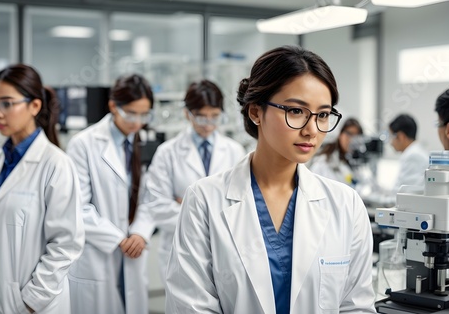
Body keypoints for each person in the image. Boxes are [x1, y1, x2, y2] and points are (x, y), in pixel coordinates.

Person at [165, 46, 376, 313]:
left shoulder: (346, 204)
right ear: (255, 111)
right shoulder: (204, 200)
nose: (312, 130)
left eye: (323, 115)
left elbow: (356, 306)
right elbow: (190, 305)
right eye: (296, 111)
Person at [0, 64, 85, 313]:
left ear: (34, 106)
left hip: (31, 304)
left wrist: (30, 302)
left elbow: (66, 244)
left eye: (7, 103)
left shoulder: (56, 164)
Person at [67, 74, 155, 314]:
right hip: (97, 252)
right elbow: (78, 206)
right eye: (131, 113)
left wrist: (140, 232)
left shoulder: (142, 140)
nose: (137, 122)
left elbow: (149, 196)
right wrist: (118, 239)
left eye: (144, 114)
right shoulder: (83, 144)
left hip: (133, 248)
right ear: (113, 106)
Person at [143, 79, 245, 282]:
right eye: (201, 117)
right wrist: (213, 212)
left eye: (215, 117)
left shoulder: (235, 151)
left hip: (225, 249)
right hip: (182, 249)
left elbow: (242, 204)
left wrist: (188, 204)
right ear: (187, 113)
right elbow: (157, 206)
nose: (208, 125)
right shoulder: (168, 152)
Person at [310, 117, 363, 186]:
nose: (352, 140)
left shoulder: (352, 161)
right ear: (340, 134)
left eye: (356, 136)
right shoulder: (324, 162)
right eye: (349, 134)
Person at [388, 114, 428, 191]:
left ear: (401, 136)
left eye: (391, 137)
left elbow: (403, 194)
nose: (391, 143)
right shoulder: (415, 152)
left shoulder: (413, 156)